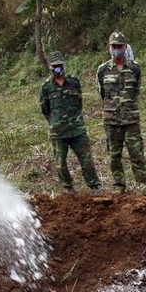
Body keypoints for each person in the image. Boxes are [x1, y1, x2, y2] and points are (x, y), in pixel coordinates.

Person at [96, 31, 146, 193]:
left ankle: (143, 183)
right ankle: (118, 184)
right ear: (109, 48)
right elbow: (102, 93)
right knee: (114, 155)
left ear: (125, 47)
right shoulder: (103, 70)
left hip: (131, 119)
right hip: (111, 120)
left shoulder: (134, 68)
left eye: (120, 46)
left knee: (137, 153)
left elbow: (136, 90)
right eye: (114, 46)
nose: (117, 49)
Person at [39, 51, 101, 194]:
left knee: (86, 160)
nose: (58, 68)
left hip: (77, 130)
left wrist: (75, 119)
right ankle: (68, 188)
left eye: (60, 65)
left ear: (64, 65)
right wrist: (55, 121)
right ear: (49, 67)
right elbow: (45, 109)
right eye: (55, 66)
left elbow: (79, 102)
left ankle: (94, 187)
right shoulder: (46, 87)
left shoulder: (74, 82)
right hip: (58, 132)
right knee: (60, 163)